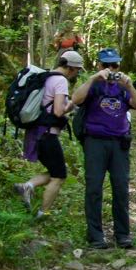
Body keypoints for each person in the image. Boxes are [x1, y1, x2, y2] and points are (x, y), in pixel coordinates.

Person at [72, 48, 136, 249]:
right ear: (98, 65)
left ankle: (123, 234)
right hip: (95, 141)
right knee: (94, 187)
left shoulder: (122, 88)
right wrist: (94, 79)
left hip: (119, 142)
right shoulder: (93, 86)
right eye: (106, 65)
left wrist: (129, 86)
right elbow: (75, 99)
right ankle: (95, 235)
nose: (110, 69)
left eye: (114, 65)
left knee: (121, 188)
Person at [13, 50, 84, 219]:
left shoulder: (47, 77)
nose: (77, 73)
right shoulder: (60, 81)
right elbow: (59, 111)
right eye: (77, 70)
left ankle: (27, 186)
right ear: (71, 68)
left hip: (36, 132)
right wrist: (72, 104)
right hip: (47, 134)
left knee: (55, 172)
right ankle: (43, 212)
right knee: (59, 176)